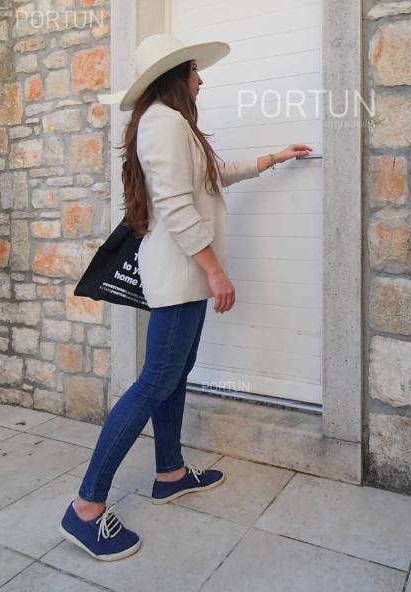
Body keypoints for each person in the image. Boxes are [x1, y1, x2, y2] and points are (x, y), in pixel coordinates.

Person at [59, 33, 312, 561]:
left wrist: (273, 157)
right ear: (177, 76)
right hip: (181, 274)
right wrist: (215, 271)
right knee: (154, 382)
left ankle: (170, 473)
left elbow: (210, 179)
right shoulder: (163, 123)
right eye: (196, 71)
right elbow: (175, 204)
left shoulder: (171, 123)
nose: (201, 80)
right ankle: (85, 509)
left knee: (173, 375)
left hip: (186, 274)